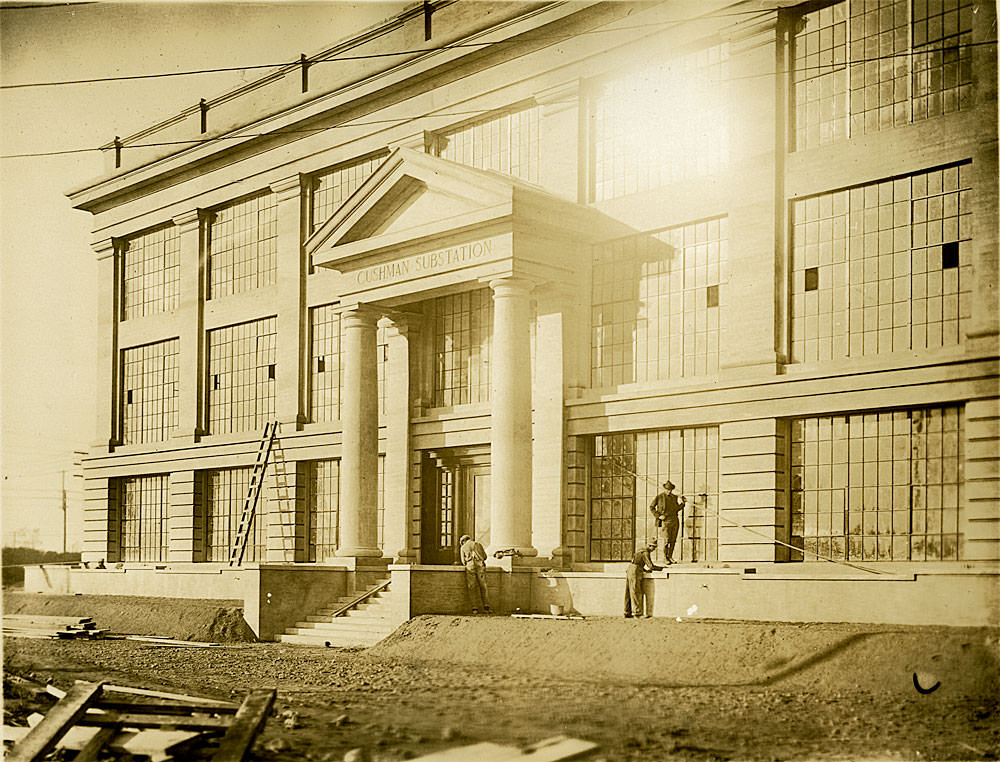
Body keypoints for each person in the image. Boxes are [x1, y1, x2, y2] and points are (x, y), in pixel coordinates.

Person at [649, 480, 686, 564]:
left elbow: (676, 508)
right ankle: (665, 557)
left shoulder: (674, 497)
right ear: (664, 489)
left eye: (670, 490)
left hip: (674, 520)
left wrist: (683, 503)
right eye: (667, 489)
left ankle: (670, 556)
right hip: (665, 521)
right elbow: (651, 507)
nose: (668, 491)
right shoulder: (659, 497)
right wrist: (658, 516)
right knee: (666, 540)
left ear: (672, 490)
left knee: (673, 540)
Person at [624, 539, 662, 618]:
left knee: (628, 592)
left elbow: (637, 562)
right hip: (635, 571)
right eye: (653, 547)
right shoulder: (645, 552)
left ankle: (627, 612)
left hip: (630, 569)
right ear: (649, 546)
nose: (654, 549)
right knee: (636, 591)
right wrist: (661, 568)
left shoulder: (639, 550)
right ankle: (637, 614)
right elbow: (650, 566)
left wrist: (644, 570)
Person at [459, 534, 491, 614]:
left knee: (472, 586)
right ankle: (486, 606)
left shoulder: (463, 547)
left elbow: (463, 562)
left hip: (470, 566)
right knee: (483, 586)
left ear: (463, 541)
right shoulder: (478, 544)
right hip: (480, 565)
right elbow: (485, 556)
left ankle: (474, 608)